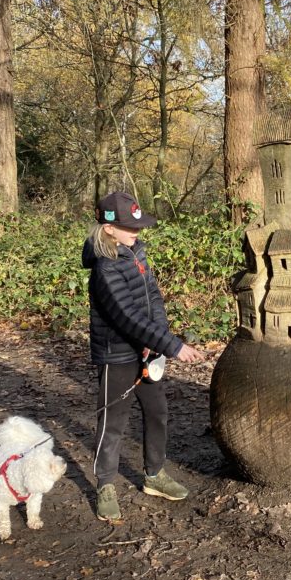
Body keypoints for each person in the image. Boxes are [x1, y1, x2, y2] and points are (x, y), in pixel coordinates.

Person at [82, 190, 204, 522]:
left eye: (137, 226)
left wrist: (159, 338)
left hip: (148, 349)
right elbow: (127, 316)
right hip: (118, 355)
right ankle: (105, 484)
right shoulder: (105, 269)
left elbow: (153, 299)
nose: (136, 232)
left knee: (157, 412)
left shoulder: (137, 254)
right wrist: (174, 346)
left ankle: (154, 474)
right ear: (108, 228)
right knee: (113, 422)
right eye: (129, 227)